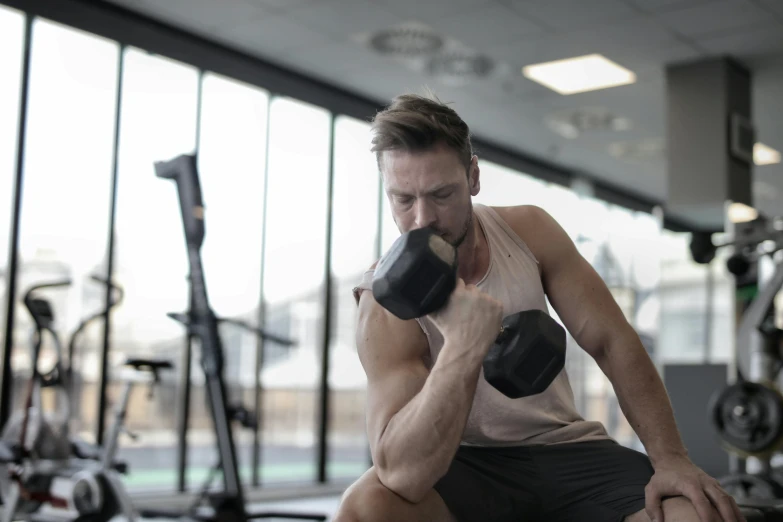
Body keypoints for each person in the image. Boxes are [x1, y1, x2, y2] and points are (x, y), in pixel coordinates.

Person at [335, 92, 744, 522]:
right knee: (365, 509)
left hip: (568, 450)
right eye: (403, 199)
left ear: (473, 177)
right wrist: (462, 346)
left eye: (441, 194)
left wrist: (671, 458)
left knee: (699, 516)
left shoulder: (529, 231)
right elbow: (402, 475)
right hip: (465, 465)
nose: (422, 219)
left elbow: (611, 341)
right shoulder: (384, 303)